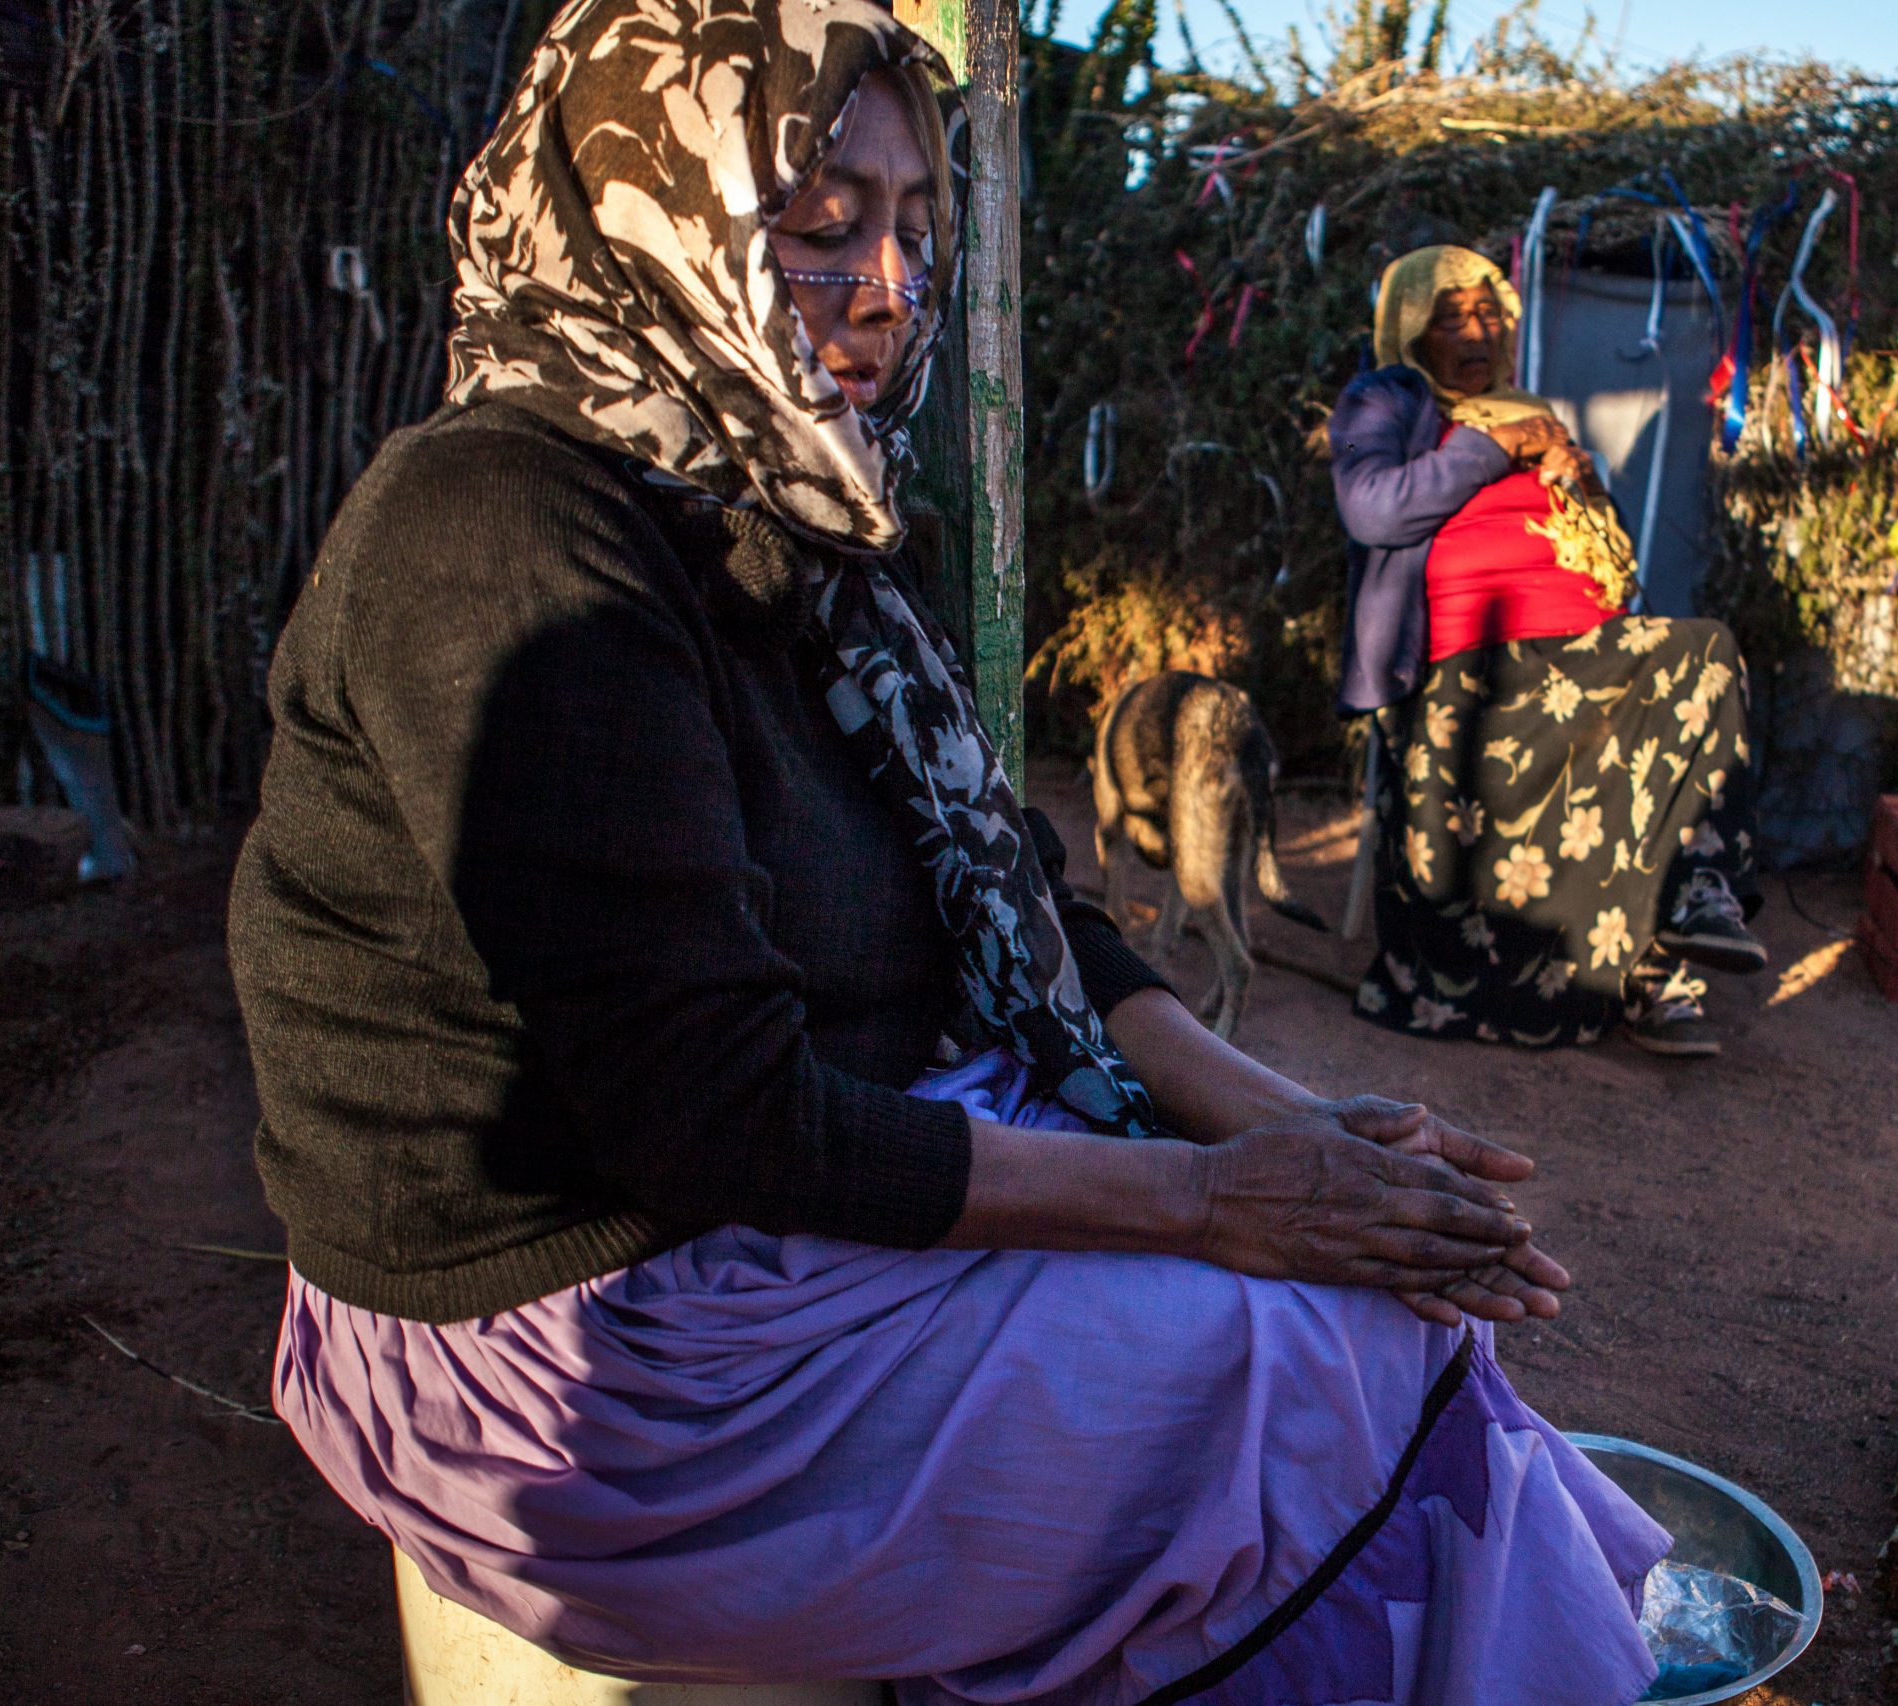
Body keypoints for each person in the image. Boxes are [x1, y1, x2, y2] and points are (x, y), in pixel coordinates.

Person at [227, 5, 1674, 1701]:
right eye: (821, 224)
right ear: (648, 213)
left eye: (913, 230)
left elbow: (1021, 916)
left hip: (804, 1180)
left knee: (1407, 1302)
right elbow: (711, 1115)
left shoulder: (800, 516)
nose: (889, 288)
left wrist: (1317, 1139)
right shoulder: (502, 530)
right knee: (1312, 1360)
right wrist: (1218, 1202)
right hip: (590, 1342)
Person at [1329, 245, 1766, 1057]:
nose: (1478, 331)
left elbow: (1616, 555)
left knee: (1705, 652)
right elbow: (1374, 511)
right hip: (1469, 669)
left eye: (1489, 312)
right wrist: (1502, 447)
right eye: (1453, 316)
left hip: (1583, 652)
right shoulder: (1389, 400)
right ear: (1412, 330)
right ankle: (1643, 979)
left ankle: (1692, 903)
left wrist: (1583, 479)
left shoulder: (1530, 410)